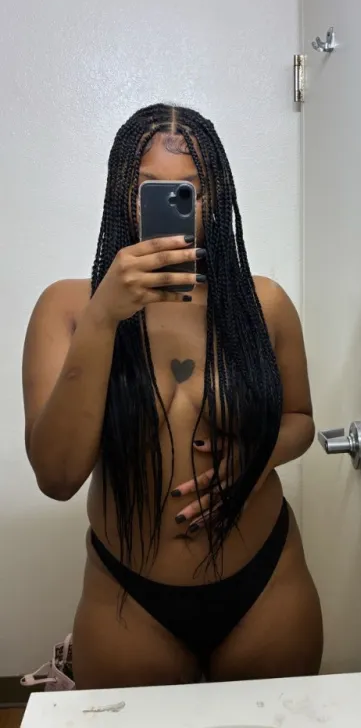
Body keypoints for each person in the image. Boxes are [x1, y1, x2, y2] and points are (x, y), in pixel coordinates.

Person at [22, 104, 323, 689]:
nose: (172, 204)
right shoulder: (68, 308)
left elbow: (301, 419)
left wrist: (255, 458)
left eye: (191, 190)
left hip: (267, 583)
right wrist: (105, 316)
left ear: (216, 198)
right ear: (120, 195)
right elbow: (57, 477)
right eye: (148, 188)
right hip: (129, 598)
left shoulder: (264, 305)